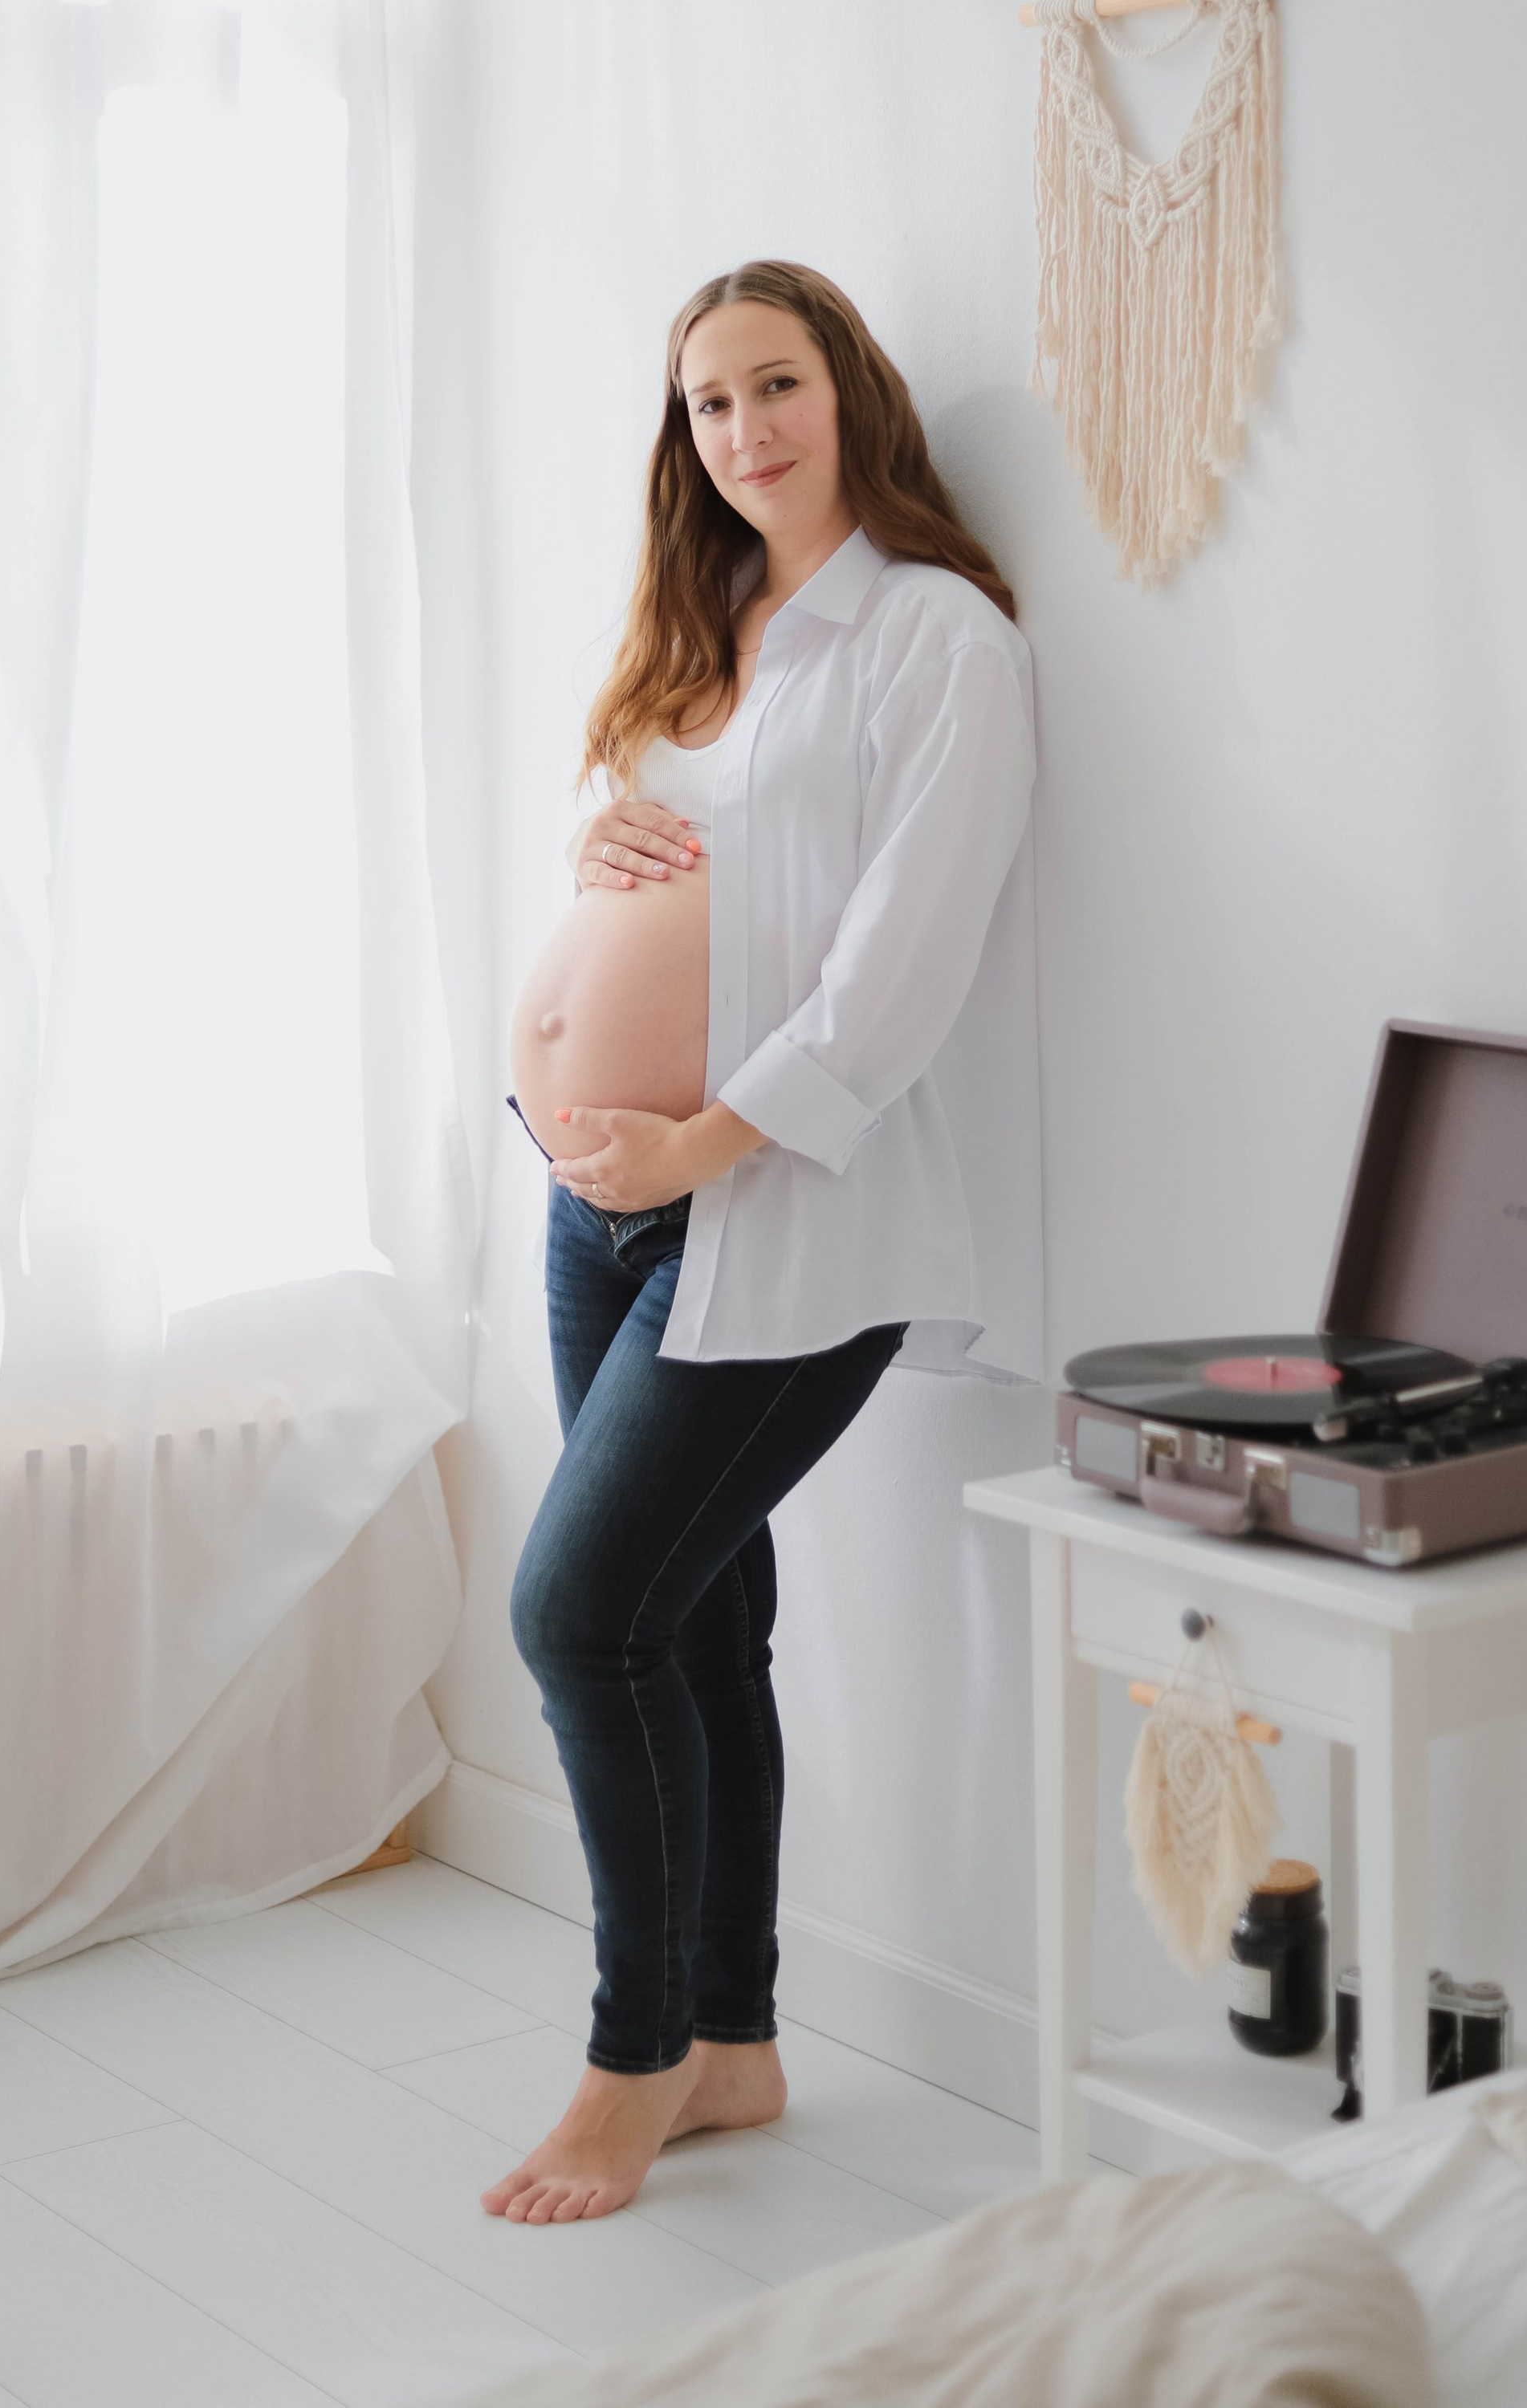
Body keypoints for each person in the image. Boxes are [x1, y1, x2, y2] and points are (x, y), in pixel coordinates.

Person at [487, 259, 1037, 2225]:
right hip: (596, 1211)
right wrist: (587, 851)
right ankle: (732, 2044)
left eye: (774, 385)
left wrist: (702, 1141)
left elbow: (903, 964)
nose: (743, 433)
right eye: (707, 405)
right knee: (692, 1621)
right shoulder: (704, 616)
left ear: (847, 388)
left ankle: (629, 2064)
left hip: (777, 1211)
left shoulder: (931, 636)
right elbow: (660, 861)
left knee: (577, 1615)